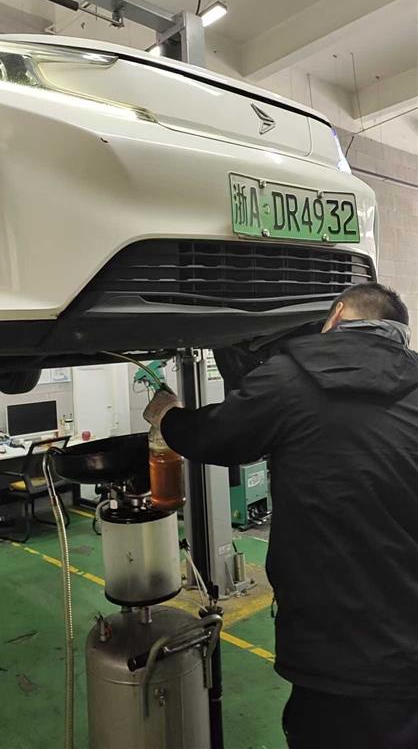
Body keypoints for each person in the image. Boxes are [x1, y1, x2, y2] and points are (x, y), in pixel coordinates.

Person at [144, 282, 418, 749]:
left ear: (337, 314)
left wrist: (168, 415)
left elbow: (216, 437)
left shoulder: (292, 375)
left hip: (328, 644)